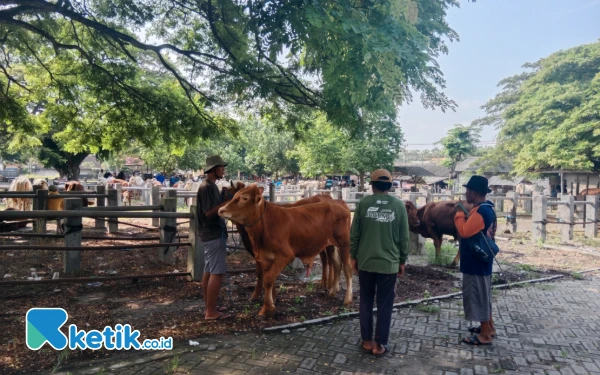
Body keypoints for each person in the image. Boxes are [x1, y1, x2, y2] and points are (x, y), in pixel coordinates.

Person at [350, 169, 410, 356]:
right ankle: (379, 345)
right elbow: (404, 237)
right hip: (389, 264)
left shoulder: (363, 204)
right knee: (385, 304)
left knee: (366, 301)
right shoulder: (398, 205)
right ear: (390, 186)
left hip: (366, 262)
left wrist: (353, 257)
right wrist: (402, 260)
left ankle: (367, 341)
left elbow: (355, 234)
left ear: (372, 185)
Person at [454, 175, 498, 346]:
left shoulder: (481, 211)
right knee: (484, 295)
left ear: (474, 192)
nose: (466, 193)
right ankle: (489, 327)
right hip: (481, 261)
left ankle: (485, 335)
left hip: (475, 262)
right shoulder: (485, 208)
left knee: (478, 296)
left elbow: (464, 231)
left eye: (468, 190)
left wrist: (458, 214)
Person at [197, 155, 231, 320]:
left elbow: (213, 207)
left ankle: (210, 306)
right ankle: (211, 312)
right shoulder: (208, 188)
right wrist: (227, 204)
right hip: (214, 234)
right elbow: (209, 213)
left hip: (210, 234)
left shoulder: (211, 186)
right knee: (217, 272)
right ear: (213, 169)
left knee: (209, 270)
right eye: (221, 167)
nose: (223, 169)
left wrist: (223, 199)